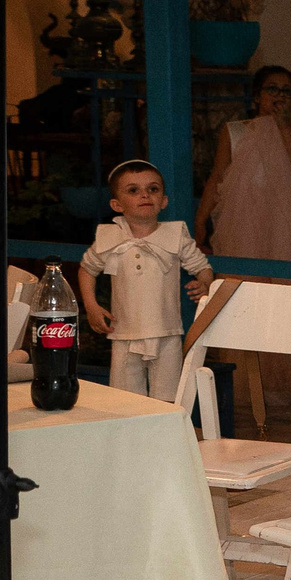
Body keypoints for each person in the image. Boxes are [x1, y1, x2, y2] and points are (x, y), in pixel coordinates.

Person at [79, 160, 213, 402]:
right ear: (116, 204)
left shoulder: (176, 236)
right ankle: (130, 439)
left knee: (168, 398)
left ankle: (164, 438)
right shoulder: (108, 238)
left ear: (163, 200)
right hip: (123, 333)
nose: (145, 195)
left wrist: (204, 284)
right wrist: (91, 306)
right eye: (133, 190)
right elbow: (87, 269)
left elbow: (202, 268)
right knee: (125, 399)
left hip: (167, 332)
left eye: (153, 189)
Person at [197, 65, 291, 267]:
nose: (280, 95)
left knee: (286, 272)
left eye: (286, 90)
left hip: (285, 214)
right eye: (272, 89)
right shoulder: (234, 130)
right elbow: (217, 177)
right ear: (258, 96)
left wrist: (284, 125)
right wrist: (200, 220)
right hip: (243, 212)